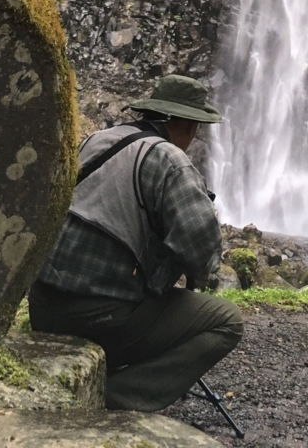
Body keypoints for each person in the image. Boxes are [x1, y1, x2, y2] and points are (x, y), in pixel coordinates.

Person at [28, 74, 243, 412]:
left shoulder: (95, 140)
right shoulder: (169, 160)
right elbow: (202, 253)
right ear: (186, 124)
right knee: (226, 321)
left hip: (43, 307)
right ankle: (118, 396)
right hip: (99, 319)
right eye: (196, 127)